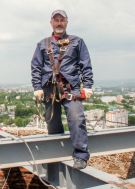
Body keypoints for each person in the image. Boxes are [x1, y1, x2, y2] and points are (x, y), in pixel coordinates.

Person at [31, 10, 93, 169]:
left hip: (70, 86)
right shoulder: (42, 44)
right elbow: (36, 66)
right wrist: (37, 87)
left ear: (66, 22)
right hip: (49, 87)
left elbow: (85, 65)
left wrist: (87, 86)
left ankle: (80, 155)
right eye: (56, 20)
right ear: (51, 23)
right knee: (52, 121)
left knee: (76, 117)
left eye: (62, 20)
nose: (59, 23)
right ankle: (55, 153)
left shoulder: (77, 42)